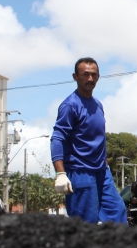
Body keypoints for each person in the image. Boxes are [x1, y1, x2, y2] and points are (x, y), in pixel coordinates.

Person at [51, 58, 128, 224]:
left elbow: (97, 137)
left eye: (94, 75)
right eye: (85, 74)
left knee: (117, 214)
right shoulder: (70, 105)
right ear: (75, 77)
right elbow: (57, 138)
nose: (90, 78)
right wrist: (60, 174)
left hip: (102, 172)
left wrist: (104, 161)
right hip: (80, 172)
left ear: (98, 77)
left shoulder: (98, 105)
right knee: (85, 223)